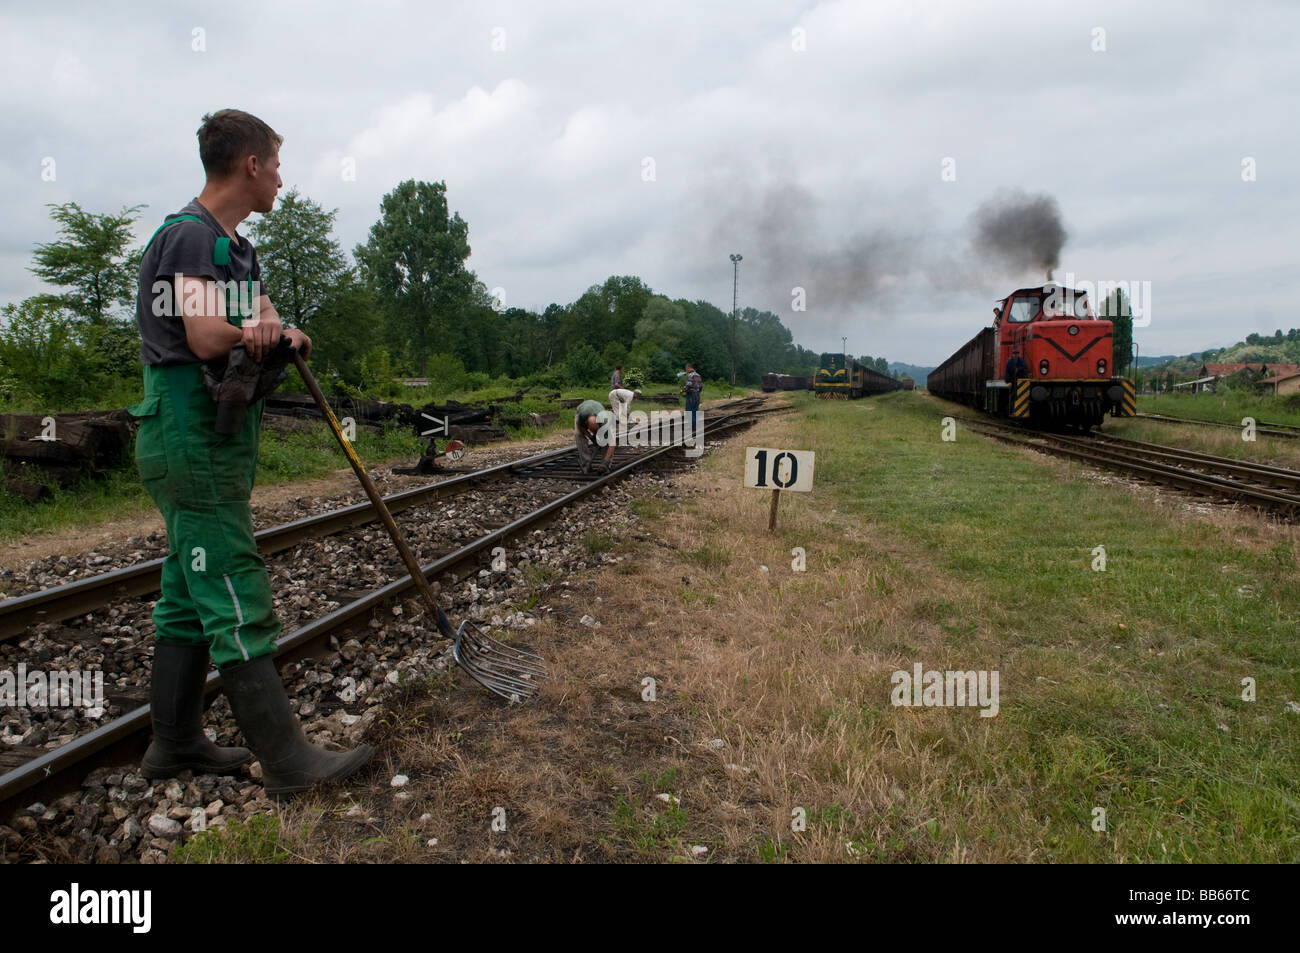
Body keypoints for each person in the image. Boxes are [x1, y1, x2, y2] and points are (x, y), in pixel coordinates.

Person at [128, 109, 373, 795]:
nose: (282, 181)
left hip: (216, 433)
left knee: (186, 587)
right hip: (186, 428)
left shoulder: (236, 247)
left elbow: (258, 320)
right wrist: (256, 331)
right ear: (251, 166)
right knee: (233, 580)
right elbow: (207, 335)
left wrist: (284, 333)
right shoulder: (186, 237)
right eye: (277, 164)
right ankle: (290, 761)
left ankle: (174, 743)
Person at [575, 398, 614, 474]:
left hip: (597, 408)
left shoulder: (604, 422)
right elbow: (580, 426)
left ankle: (606, 464)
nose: (595, 433)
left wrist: (606, 461)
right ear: (586, 424)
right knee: (578, 435)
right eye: (593, 431)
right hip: (582, 408)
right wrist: (591, 437)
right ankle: (586, 464)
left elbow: (612, 443)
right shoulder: (582, 417)